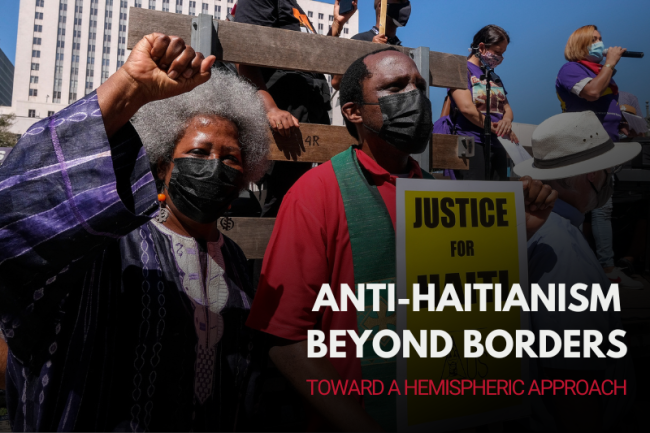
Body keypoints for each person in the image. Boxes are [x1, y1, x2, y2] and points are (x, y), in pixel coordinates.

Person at [246, 47, 557, 431]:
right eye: (395, 87)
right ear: (354, 112)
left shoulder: (446, 196)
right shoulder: (316, 194)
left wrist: (518, 232)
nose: (415, 97)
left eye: (420, 86)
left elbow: (465, 302)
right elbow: (285, 340)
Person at [0, 33, 271, 431]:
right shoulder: (108, 246)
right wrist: (130, 87)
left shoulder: (231, 258)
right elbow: (17, 214)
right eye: (198, 153)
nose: (216, 166)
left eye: (230, 158)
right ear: (163, 165)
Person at [514, 111, 640, 431]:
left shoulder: (535, 230)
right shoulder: (564, 247)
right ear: (594, 173)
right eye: (609, 170)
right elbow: (572, 381)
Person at [235, 0, 358, 217]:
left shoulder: (293, 5)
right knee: (281, 203)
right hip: (284, 119)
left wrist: (336, 26)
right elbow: (244, 59)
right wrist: (270, 109)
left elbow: (311, 59)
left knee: (304, 201)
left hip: (308, 116)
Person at [556, 25, 642, 288]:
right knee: (587, 209)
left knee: (603, 209)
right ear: (581, 44)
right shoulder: (571, 70)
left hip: (608, 148)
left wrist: (622, 125)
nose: (601, 43)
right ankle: (598, 268)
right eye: (594, 40)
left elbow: (605, 102)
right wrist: (611, 63)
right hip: (585, 149)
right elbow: (591, 93)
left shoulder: (602, 74)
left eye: (601, 39)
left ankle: (602, 267)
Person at [433, 25, 519, 181]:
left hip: (498, 143)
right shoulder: (460, 69)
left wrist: (506, 121)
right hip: (469, 143)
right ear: (481, 47)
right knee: (475, 196)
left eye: (503, 54)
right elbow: (466, 109)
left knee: (500, 196)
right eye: (497, 52)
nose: (500, 58)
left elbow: (506, 108)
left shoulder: (493, 76)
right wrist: (497, 128)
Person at [331, 0, 411, 90]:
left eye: (407, 2)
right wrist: (369, 52)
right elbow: (337, 83)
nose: (407, 7)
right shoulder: (359, 41)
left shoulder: (401, 50)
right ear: (381, 6)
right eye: (401, 2)